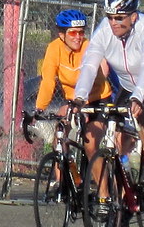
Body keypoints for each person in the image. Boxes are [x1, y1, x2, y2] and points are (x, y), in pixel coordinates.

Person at [71, 0, 144, 184]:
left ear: (133, 17)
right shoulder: (104, 30)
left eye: (119, 18)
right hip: (127, 88)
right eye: (110, 17)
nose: (113, 23)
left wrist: (137, 96)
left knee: (142, 105)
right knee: (119, 139)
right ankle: (121, 191)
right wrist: (80, 97)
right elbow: (89, 65)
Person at [33, 9, 111, 160]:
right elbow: (48, 81)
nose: (78, 37)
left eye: (81, 33)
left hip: (97, 99)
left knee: (91, 146)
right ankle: (60, 180)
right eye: (73, 33)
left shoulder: (89, 47)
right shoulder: (54, 49)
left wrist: (84, 107)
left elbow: (90, 75)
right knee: (59, 136)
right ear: (62, 35)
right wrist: (39, 108)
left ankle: (103, 184)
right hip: (73, 100)